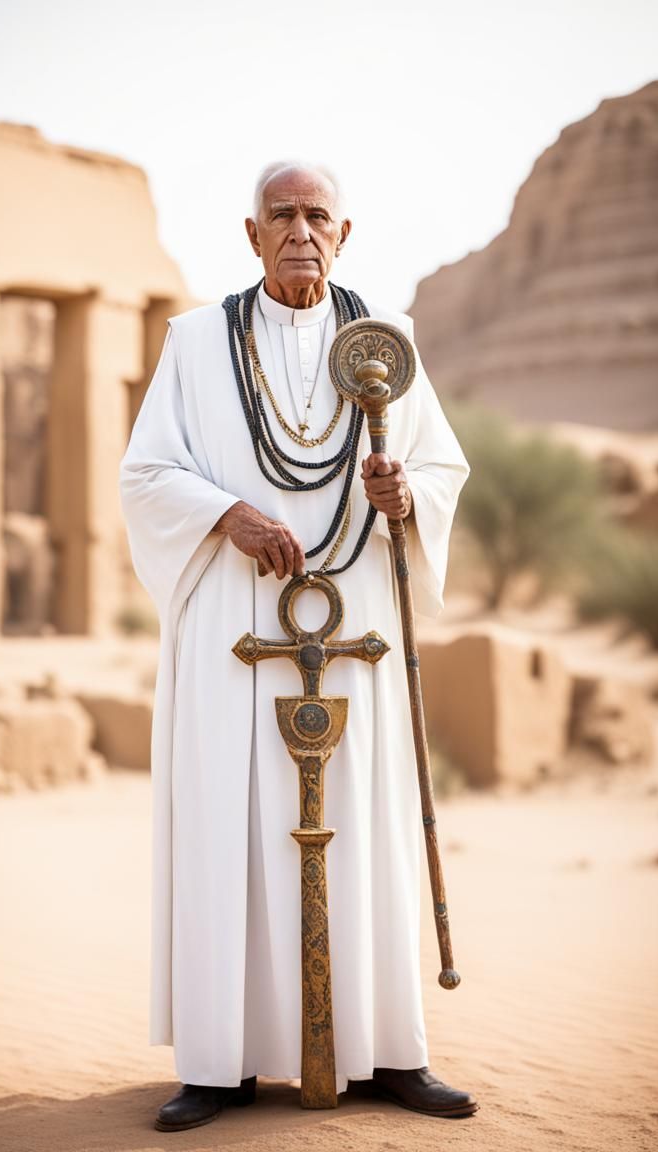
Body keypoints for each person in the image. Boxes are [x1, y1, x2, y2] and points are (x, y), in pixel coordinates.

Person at [119, 161, 476, 1133]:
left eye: (317, 215)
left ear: (344, 232)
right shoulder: (195, 345)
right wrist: (223, 512)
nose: (300, 230)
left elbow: (440, 466)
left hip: (354, 626)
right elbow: (144, 474)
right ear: (250, 234)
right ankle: (217, 1064)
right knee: (225, 827)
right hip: (231, 627)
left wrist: (409, 498)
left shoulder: (385, 344)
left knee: (367, 828)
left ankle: (390, 1053)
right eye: (280, 214)